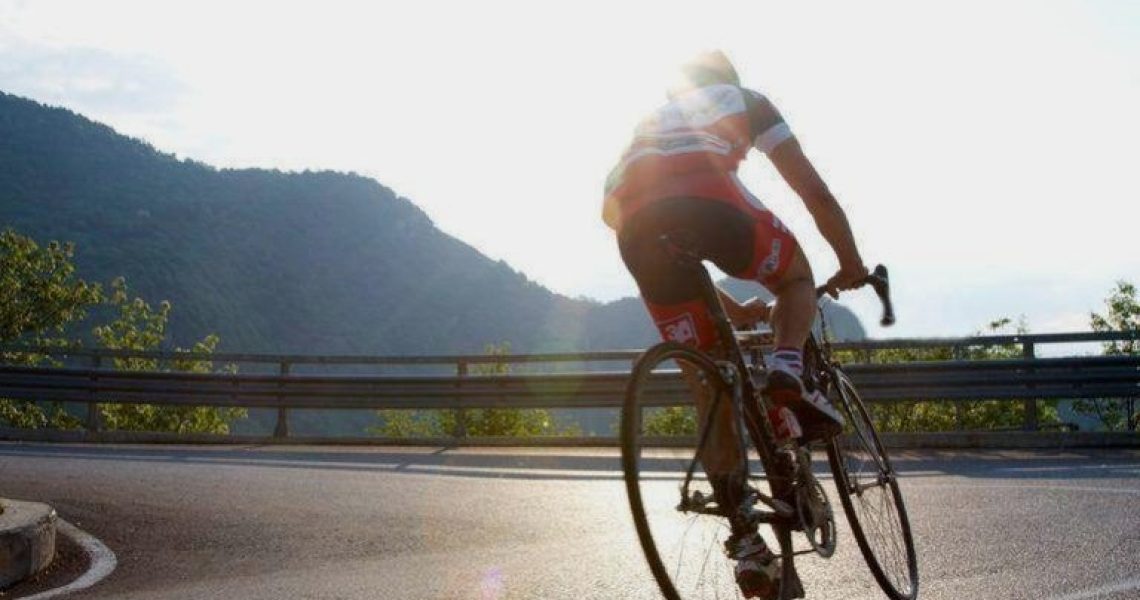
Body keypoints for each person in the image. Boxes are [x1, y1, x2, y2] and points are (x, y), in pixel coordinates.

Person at [602, 50, 869, 598]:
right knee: (796, 279)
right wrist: (851, 260)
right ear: (727, 80)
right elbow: (812, 191)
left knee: (710, 380)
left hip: (636, 230)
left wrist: (720, 300)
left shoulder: (648, 123)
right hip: (712, 205)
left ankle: (747, 543)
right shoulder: (746, 101)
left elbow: (615, 213)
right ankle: (787, 366)